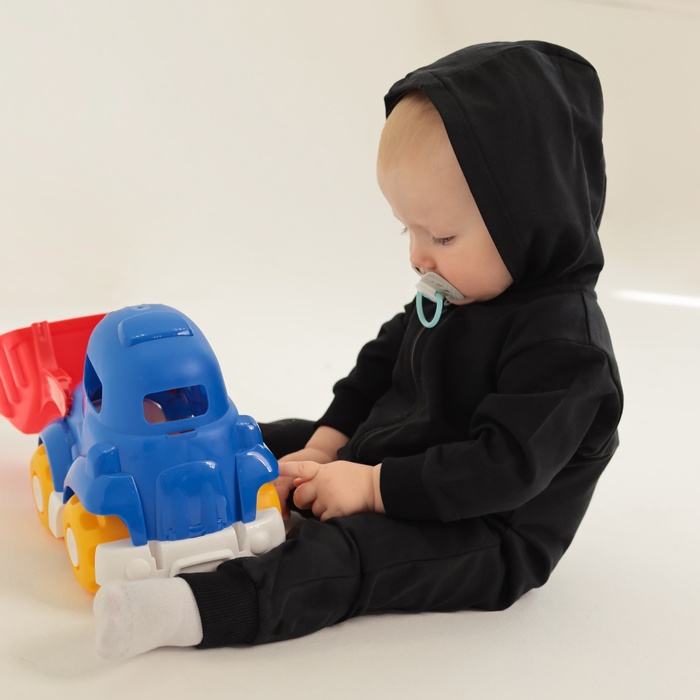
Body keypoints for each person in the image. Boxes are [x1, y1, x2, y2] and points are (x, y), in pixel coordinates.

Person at [93, 40, 623, 660]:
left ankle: (190, 609)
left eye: (441, 235)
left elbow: (499, 471)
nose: (418, 256)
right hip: (402, 454)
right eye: (408, 229)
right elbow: (382, 366)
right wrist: (326, 443)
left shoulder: (569, 354)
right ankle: (151, 463)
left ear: (531, 219)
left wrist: (373, 488)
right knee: (263, 438)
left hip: (482, 529)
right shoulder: (463, 286)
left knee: (349, 557)